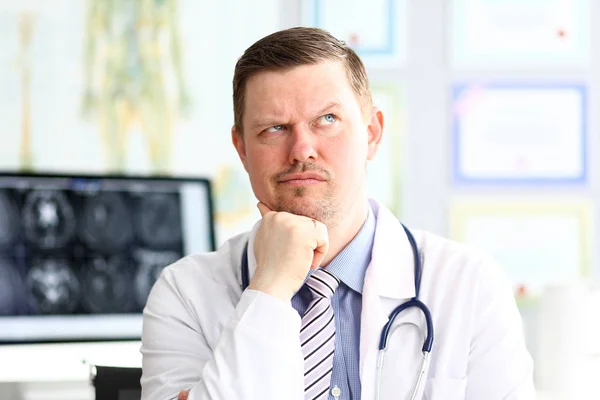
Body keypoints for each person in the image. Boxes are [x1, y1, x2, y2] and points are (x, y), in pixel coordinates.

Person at [140, 27, 535, 400]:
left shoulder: (468, 285)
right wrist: (270, 287)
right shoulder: (184, 294)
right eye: (274, 128)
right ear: (241, 148)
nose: (302, 149)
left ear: (372, 134)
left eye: (327, 120)